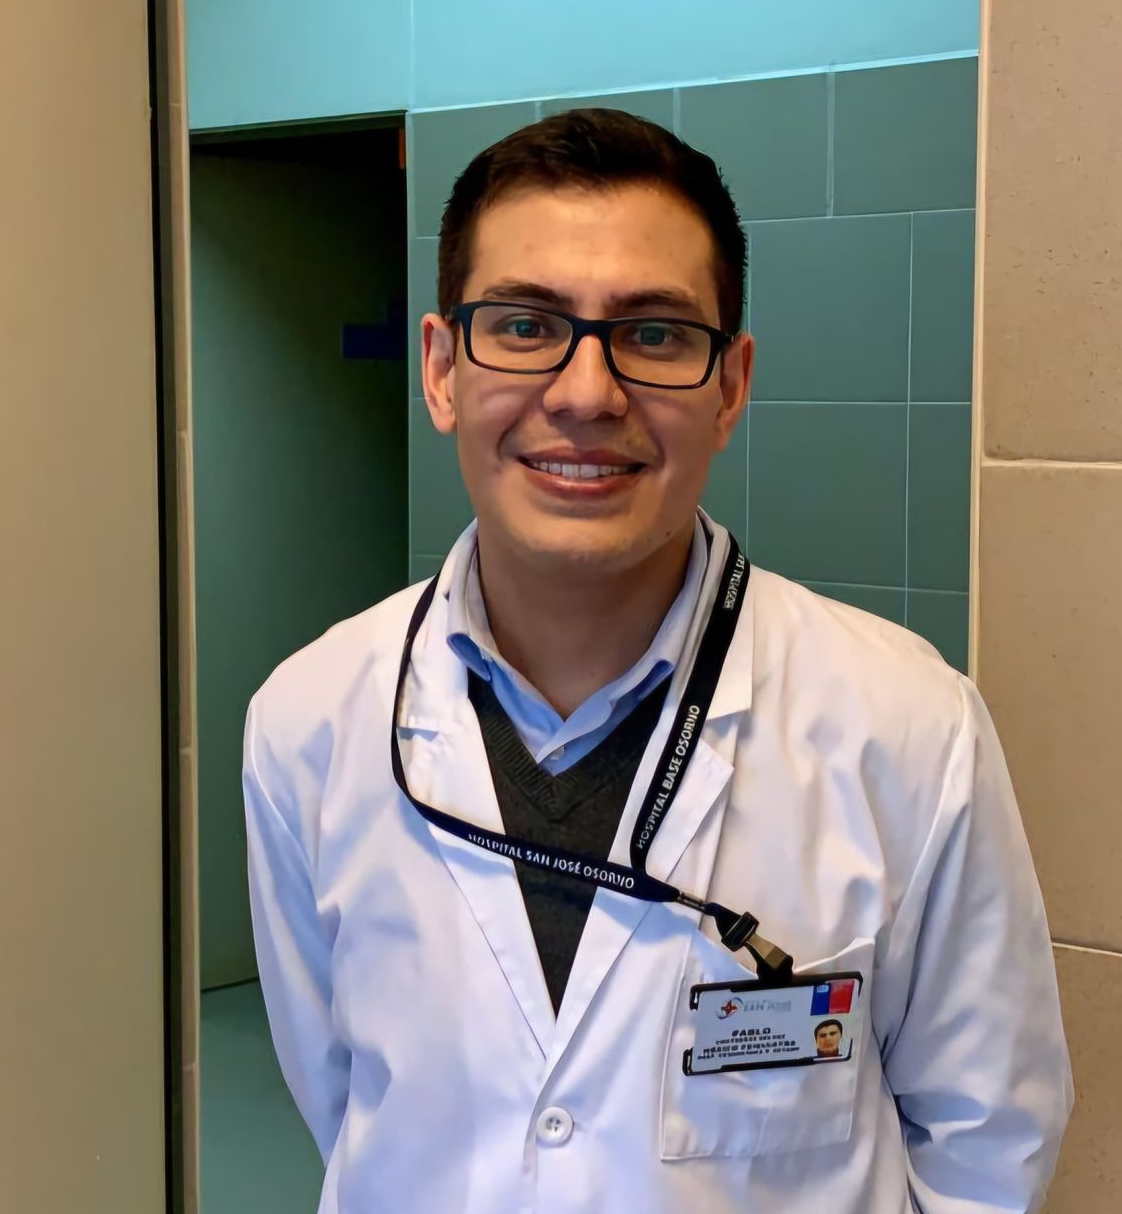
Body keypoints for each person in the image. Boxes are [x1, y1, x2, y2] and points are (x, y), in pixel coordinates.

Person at [243, 109, 1073, 1213]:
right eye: (525, 325)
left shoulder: (908, 726)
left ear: (729, 386)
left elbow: (987, 1148)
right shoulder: (308, 720)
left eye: (654, 334)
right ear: (441, 369)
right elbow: (343, 1097)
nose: (586, 393)